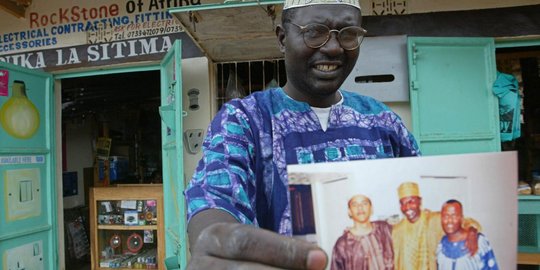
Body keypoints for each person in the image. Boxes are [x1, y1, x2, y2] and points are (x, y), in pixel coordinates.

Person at [184, 0, 420, 268]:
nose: (333, 48)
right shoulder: (244, 120)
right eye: (314, 31)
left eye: (349, 34)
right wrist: (216, 241)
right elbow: (216, 196)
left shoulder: (382, 121)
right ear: (283, 38)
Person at [392, 182, 481, 270]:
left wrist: (472, 232)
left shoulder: (434, 220)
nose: (407, 207)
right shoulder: (398, 230)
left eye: (411, 201)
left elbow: (468, 222)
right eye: (402, 203)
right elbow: (397, 262)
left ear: (420, 201)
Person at [331, 194, 394, 270]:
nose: (360, 207)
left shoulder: (385, 230)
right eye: (354, 205)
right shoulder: (343, 244)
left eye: (364, 203)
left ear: (371, 209)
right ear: (349, 212)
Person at [436, 200, 499, 270]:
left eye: (454, 216)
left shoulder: (479, 242)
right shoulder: (441, 245)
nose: (449, 220)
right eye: (446, 216)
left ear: (461, 218)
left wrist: (472, 231)